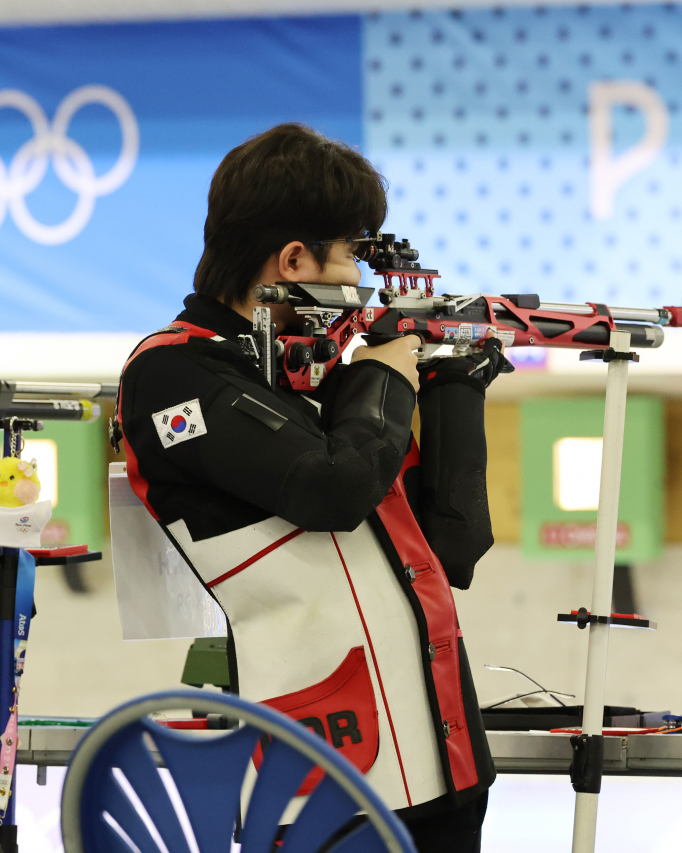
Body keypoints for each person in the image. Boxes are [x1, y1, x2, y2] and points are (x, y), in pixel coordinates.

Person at [116, 124, 509, 852]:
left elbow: (453, 543)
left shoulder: (319, 377)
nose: (360, 278)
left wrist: (455, 381)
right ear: (294, 258)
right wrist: (387, 369)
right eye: (353, 254)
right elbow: (330, 488)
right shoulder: (172, 375)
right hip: (325, 781)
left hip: (445, 764)